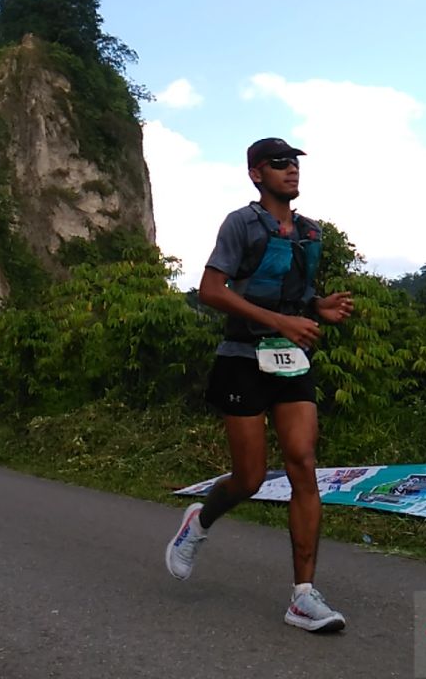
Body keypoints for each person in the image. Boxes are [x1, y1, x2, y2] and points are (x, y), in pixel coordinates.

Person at [165, 137, 355, 633]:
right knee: (249, 479)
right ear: (256, 174)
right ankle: (199, 523)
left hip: (291, 359)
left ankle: (303, 597)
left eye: (294, 163)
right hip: (241, 359)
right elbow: (211, 290)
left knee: (303, 463)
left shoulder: (311, 233)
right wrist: (279, 320)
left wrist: (317, 309)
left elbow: (297, 296)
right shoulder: (241, 224)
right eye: (278, 164)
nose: (291, 170)